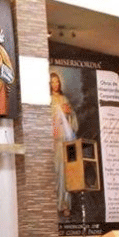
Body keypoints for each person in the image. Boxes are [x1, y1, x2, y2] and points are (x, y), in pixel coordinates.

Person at [50, 72, 78, 217]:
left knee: (66, 171)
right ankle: (55, 203)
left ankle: (65, 204)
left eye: (57, 82)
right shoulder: (48, 99)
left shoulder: (64, 98)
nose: (55, 84)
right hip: (55, 139)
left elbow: (72, 118)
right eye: (53, 82)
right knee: (56, 171)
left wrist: (69, 113)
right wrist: (57, 113)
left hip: (65, 139)